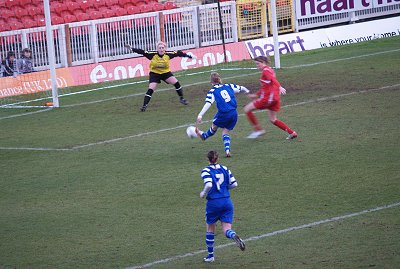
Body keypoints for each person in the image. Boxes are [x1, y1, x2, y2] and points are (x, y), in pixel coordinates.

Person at [199, 150, 245, 263]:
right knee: (226, 229)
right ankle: (233, 235)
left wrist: (203, 193)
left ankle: (210, 256)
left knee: (210, 229)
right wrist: (224, 189)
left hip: (214, 203)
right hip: (227, 201)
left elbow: (209, 184)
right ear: (218, 158)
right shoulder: (225, 168)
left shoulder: (205, 170)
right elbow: (234, 184)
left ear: (208, 159)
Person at [125, 41, 193, 112]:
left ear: (165, 49)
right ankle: (144, 106)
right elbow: (142, 52)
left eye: (162, 48)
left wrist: (188, 56)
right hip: (155, 74)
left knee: (176, 82)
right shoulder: (152, 54)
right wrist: (131, 49)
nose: (161, 49)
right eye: (159, 48)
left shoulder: (168, 54)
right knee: (151, 89)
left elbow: (178, 53)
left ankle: (182, 99)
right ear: (157, 49)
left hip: (165, 73)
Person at [195, 72, 249, 157]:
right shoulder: (228, 86)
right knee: (225, 131)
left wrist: (200, 115)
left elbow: (208, 103)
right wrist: (247, 91)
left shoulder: (212, 91)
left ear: (211, 82)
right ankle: (227, 150)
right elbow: (241, 88)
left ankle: (204, 136)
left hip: (224, 114)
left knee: (214, 126)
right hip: (234, 113)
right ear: (219, 79)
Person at [244, 56, 298, 139]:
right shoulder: (270, 70)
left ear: (263, 62)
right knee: (273, 119)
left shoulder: (266, 71)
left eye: (258, 64)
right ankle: (292, 133)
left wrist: (280, 87)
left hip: (268, 99)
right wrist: (256, 95)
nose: (257, 66)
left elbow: (272, 79)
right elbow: (267, 86)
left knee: (247, 109)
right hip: (275, 98)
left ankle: (258, 130)